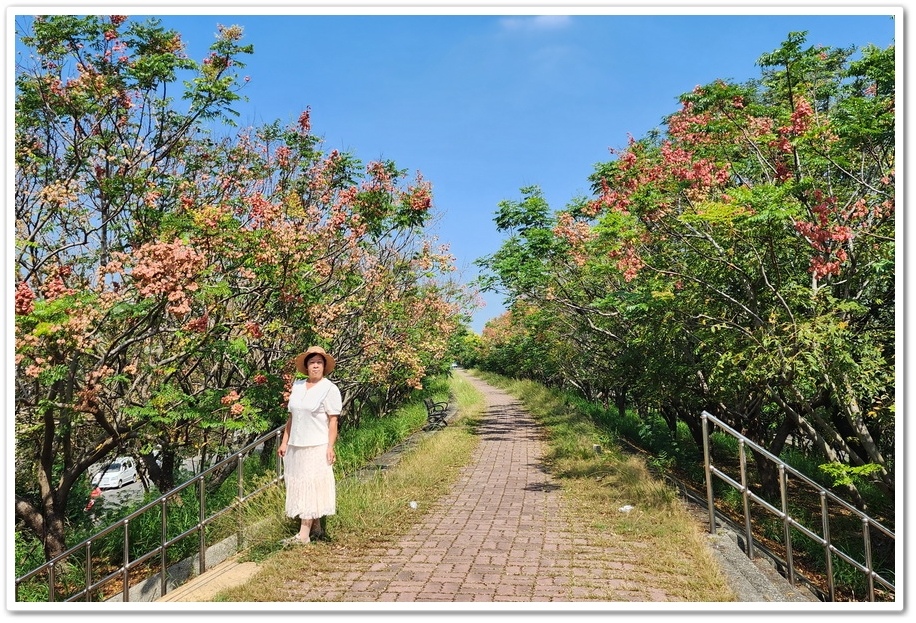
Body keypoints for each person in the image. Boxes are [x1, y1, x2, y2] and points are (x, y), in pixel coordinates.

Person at [277, 345, 342, 545]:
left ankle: (303, 535)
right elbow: (292, 417)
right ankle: (316, 528)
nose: (315, 366)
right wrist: (285, 441)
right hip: (297, 445)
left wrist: (330, 446)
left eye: (319, 363)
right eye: (312, 362)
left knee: (311, 486)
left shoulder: (329, 389)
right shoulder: (298, 386)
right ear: (306, 366)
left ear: (324, 366)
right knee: (299, 483)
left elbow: (333, 421)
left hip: (316, 445)